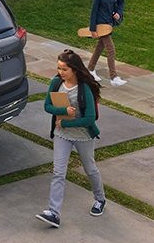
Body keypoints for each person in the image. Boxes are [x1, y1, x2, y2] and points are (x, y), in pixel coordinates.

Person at [35, 49, 106, 228]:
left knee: (90, 169)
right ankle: (54, 213)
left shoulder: (85, 89)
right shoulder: (56, 82)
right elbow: (47, 106)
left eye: (64, 69)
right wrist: (63, 112)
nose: (60, 72)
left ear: (74, 69)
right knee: (58, 172)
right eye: (59, 68)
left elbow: (90, 118)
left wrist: (66, 123)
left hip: (83, 136)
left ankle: (100, 199)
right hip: (62, 135)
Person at [87, 0, 127, 87]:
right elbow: (93, 12)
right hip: (101, 25)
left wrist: (118, 13)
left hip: (109, 24)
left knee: (99, 48)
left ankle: (90, 69)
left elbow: (121, 2)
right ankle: (113, 77)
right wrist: (93, 29)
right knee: (111, 50)